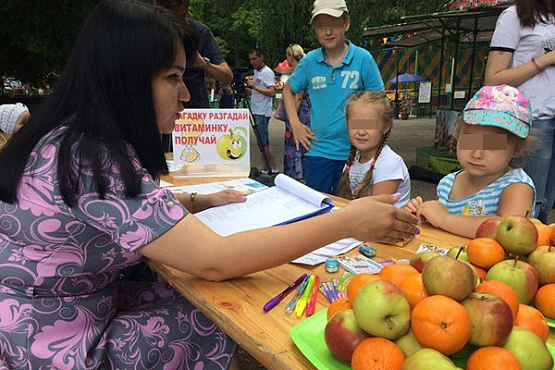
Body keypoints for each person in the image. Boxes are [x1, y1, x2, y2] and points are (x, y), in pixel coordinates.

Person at [0, 1, 419, 368]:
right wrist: (343, 223)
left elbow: (125, 208)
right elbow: (214, 260)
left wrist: (196, 200)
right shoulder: (93, 157)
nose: (185, 94)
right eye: (172, 77)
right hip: (52, 339)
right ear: (125, 78)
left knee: (184, 293)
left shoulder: (67, 135)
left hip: (55, 308)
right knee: (212, 319)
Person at [404, 85, 536, 239]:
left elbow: (508, 231)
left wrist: (443, 218)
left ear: (517, 149)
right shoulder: (449, 183)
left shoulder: (516, 186)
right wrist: (423, 213)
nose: (477, 154)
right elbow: (442, 227)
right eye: (470, 142)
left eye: (492, 145)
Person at [282, 0, 384, 194]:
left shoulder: (363, 59)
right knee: (316, 211)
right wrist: (294, 124)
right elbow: (289, 90)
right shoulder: (310, 61)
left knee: (350, 212)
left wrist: (371, 144)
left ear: (346, 23)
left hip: (356, 154)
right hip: (318, 152)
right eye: (321, 26)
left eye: (333, 24)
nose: (327, 32)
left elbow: (379, 104)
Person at [485, 0, 555, 223]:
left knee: (547, 202)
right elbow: (493, 79)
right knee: (527, 205)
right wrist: (547, 59)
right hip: (533, 120)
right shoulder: (514, 15)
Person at [336, 91, 410, 208]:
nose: (361, 132)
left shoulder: (389, 163)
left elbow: (375, 212)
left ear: (386, 127)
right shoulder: (355, 158)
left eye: (369, 125)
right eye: (356, 124)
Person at [247, 48, 278, 173]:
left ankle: (274, 168)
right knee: (261, 142)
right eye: (250, 59)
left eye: (254, 59)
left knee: (264, 141)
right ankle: (265, 168)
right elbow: (256, 91)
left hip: (262, 111)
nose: (252, 62)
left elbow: (272, 92)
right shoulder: (256, 72)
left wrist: (254, 87)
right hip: (256, 109)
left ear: (261, 57)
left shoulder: (267, 72)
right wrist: (248, 89)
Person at [283, 44, 311, 180]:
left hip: (299, 112)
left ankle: (297, 173)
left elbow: (298, 97)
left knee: (296, 142)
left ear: (290, 56)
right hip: (303, 111)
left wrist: (292, 117)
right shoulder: (304, 69)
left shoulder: (299, 72)